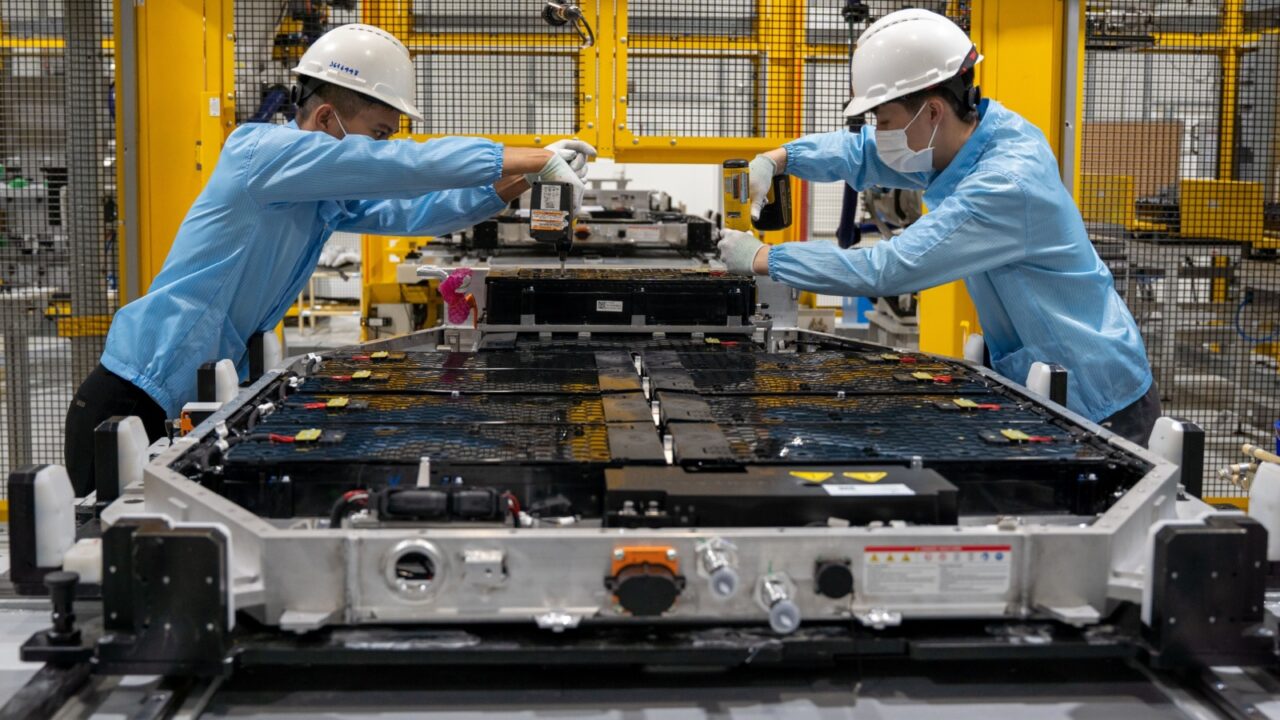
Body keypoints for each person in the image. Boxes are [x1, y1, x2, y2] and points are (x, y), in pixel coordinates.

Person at [64, 23, 597, 496]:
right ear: (325, 116)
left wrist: (520, 179)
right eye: (380, 133)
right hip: (131, 402)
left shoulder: (315, 193)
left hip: (199, 394)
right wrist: (532, 156)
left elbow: (414, 213)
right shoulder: (260, 153)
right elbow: (405, 167)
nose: (384, 147)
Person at [717, 9, 1160, 445]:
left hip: (1098, 396)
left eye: (885, 121)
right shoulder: (965, 141)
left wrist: (763, 258)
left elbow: (888, 268)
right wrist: (781, 159)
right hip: (1044, 376)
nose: (880, 133)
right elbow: (863, 153)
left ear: (931, 111)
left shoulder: (1004, 182)